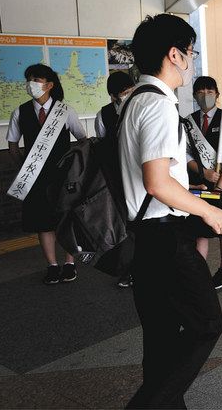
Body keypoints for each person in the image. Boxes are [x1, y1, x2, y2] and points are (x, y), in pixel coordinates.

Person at [120, 13, 222, 408]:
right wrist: (208, 211)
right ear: (174, 55)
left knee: (162, 337)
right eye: (190, 52)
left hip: (145, 237)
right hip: (165, 236)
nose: (192, 60)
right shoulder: (160, 105)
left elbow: (155, 178)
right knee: (206, 325)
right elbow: (157, 182)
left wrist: (188, 189)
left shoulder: (135, 99)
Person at [7, 63, 87, 285]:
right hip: (35, 179)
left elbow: (83, 141)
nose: (30, 85)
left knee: (66, 220)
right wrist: (23, 167)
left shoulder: (65, 111)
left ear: (49, 85)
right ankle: (52, 265)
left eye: (36, 80)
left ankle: (70, 262)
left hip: (64, 178)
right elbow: (12, 146)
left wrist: (75, 167)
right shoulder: (20, 112)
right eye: (29, 80)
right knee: (43, 222)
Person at [186, 76, 222, 290]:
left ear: (217, 94)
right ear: (194, 95)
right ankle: (200, 274)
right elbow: (185, 154)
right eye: (200, 91)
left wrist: (219, 184)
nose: (205, 95)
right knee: (200, 230)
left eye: (209, 91)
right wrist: (203, 172)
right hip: (200, 182)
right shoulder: (188, 121)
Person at [94, 71, 136, 288]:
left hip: (139, 178)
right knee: (123, 225)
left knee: (141, 224)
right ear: (112, 96)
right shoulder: (103, 115)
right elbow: (102, 144)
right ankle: (127, 270)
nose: (127, 96)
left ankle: (143, 267)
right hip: (116, 179)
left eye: (130, 91)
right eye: (122, 93)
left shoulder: (141, 108)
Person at [94, 71, 135, 139]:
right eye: (126, 93)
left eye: (132, 91)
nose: (131, 96)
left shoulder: (139, 107)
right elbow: (102, 142)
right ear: (113, 96)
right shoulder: (102, 116)